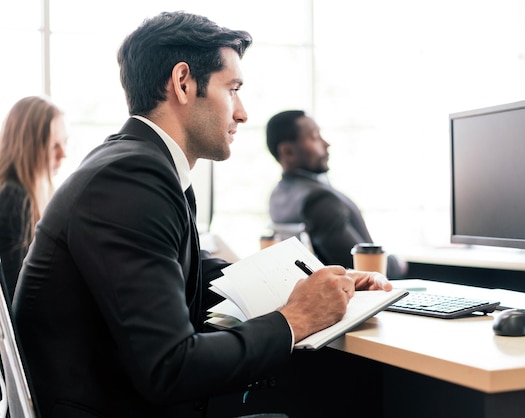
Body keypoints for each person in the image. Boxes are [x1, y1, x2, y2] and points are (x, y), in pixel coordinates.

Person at [12, 11, 392, 418]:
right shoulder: (130, 177)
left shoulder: (137, 163)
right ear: (183, 83)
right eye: (233, 89)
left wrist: (317, 282)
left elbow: (190, 274)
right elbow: (170, 366)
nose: (242, 113)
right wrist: (295, 318)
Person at [266, 110, 407, 279]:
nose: (326, 143)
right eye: (315, 137)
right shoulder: (319, 200)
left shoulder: (278, 196)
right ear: (288, 151)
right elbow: (365, 271)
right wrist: (398, 262)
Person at [0, 96, 67, 302]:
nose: (63, 154)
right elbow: (18, 294)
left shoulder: (29, 195)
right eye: (53, 145)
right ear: (29, 146)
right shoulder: (14, 199)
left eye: (64, 143)